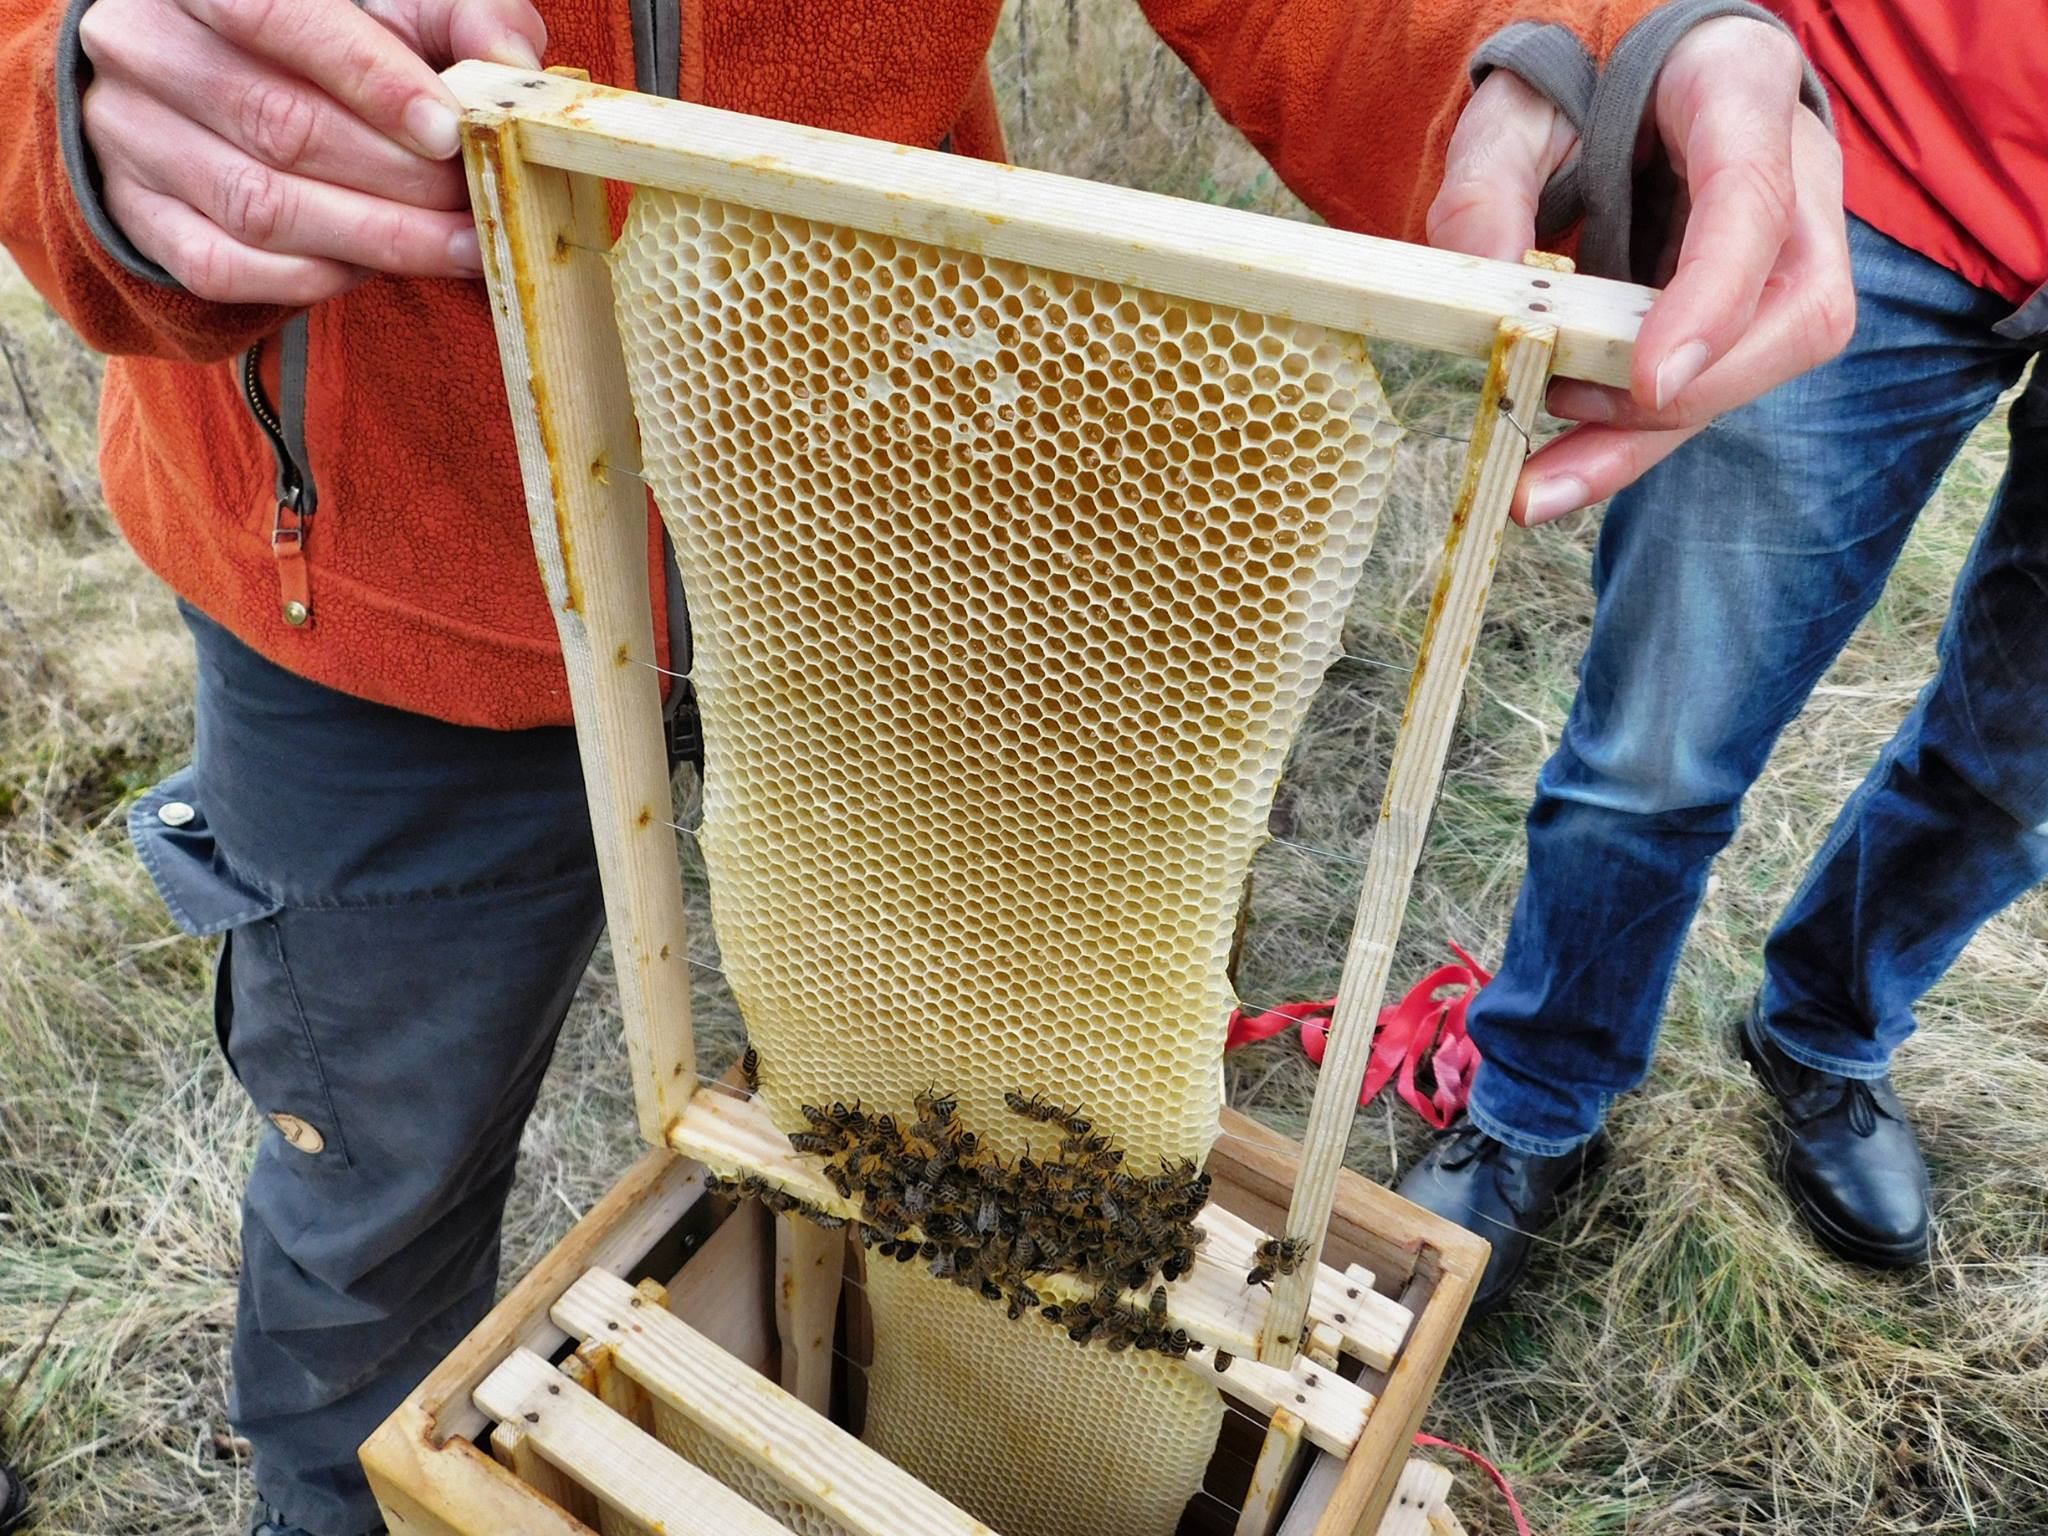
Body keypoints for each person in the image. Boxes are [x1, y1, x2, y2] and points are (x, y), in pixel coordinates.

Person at [0, 0, 1846, 1531]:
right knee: (369, 1204)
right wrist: (79, 97)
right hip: (378, 600)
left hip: (909, 510)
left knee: (953, 1125)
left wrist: (1568, 56)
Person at [1400, 3, 2048, 1313]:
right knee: (1661, 742)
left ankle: (1822, 1034)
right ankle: (1536, 1103)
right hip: (1884, 146)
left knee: (2017, 774)